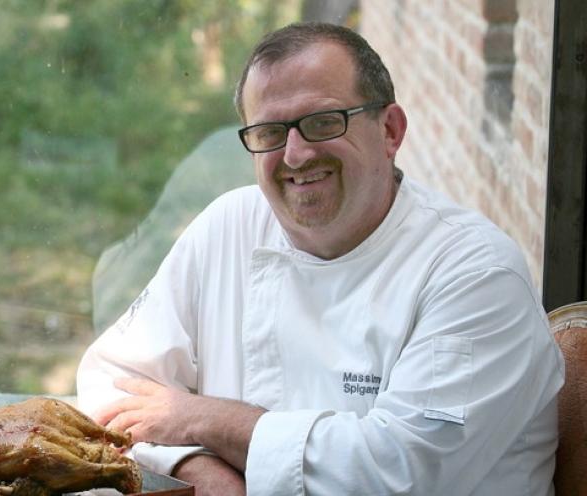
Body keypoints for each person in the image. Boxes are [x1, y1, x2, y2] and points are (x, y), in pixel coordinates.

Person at [76, 22, 564, 496]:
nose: (295, 154)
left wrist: (199, 417)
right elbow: (113, 386)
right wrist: (196, 467)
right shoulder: (228, 226)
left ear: (390, 130)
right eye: (269, 132)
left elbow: (395, 473)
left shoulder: (474, 273)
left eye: (323, 122)